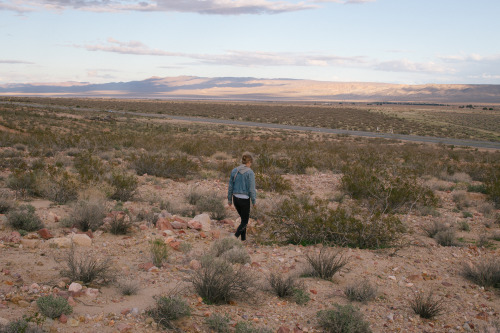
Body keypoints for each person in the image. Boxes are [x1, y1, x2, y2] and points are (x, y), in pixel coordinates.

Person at [227, 152, 256, 241]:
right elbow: (251, 188)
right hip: (245, 199)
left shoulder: (234, 171)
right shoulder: (250, 172)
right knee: (245, 221)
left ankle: (243, 239)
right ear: (249, 162)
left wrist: (229, 199)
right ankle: (234, 239)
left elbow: (230, 186)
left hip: (235, 199)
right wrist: (254, 201)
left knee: (243, 219)